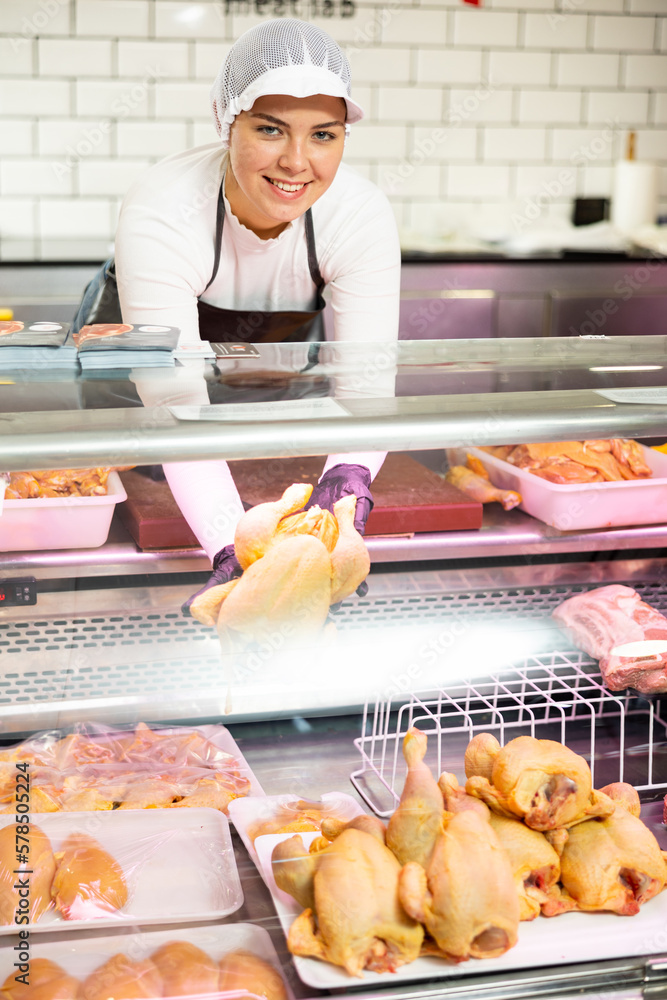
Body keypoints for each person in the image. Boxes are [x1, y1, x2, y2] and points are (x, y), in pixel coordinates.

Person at [112, 18, 401, 612]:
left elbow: (366, 388)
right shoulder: (165, 208)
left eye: (324, 134)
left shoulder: (359, 214)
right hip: (148, 441)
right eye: (271, 129)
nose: (297, 162)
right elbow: (174, 405)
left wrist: (341, 496)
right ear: (226, 120)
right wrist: (234, 553)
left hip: (280, 432)